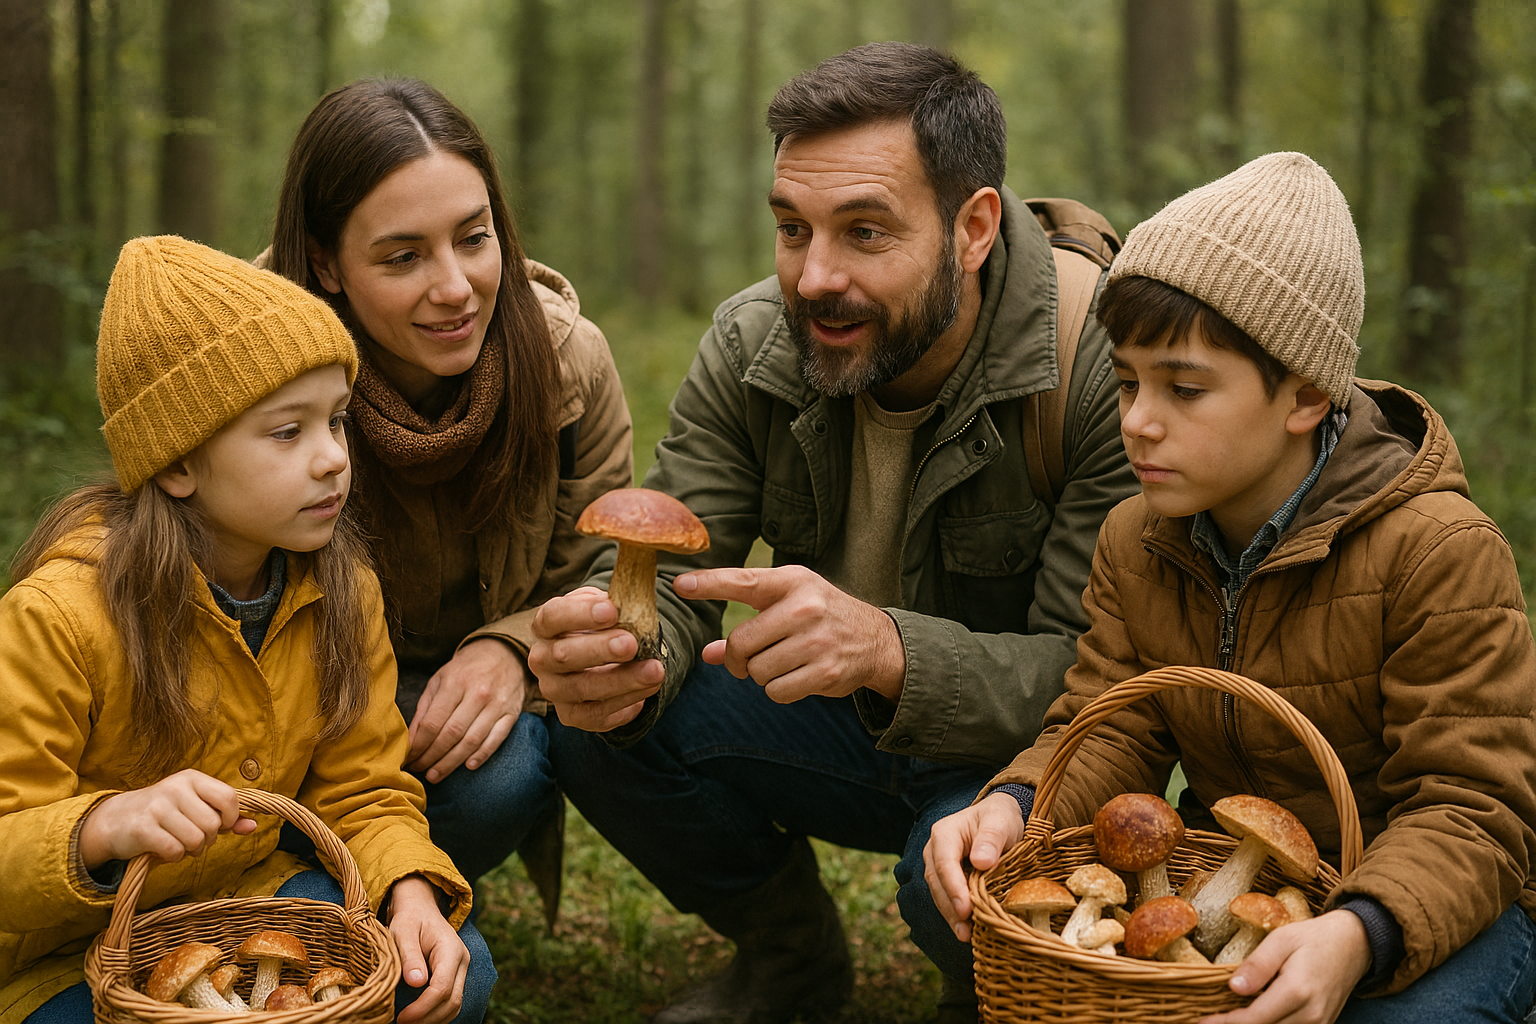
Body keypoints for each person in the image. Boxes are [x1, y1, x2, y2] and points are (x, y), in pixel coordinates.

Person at [529, 42, 1138, 1023]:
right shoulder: (754, 340)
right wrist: (617, 651)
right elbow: (674, 566)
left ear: (973, 226)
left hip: (1010, 759)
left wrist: (890, 647)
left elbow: (1100, 677)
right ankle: (791, 959)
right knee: (595, 727)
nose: (812, 277)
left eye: (863, 232)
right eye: (790, 228)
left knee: (974, 897)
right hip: (825, 718)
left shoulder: (1098, 360)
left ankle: (985, 982)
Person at [924, 152, 1536, 1023]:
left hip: (1428, 910)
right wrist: (1021, 806)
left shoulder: (1438, 551)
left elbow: (1474, 809)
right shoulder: (1136, 538)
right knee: (966, 909)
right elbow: (1114, 724)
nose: (1138, 419)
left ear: (1306, 394)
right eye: (1129, 381)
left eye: (1185, 388)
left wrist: (1361, 930)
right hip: (1229, 884)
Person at [0, 236, 495, 1024]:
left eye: (336, 422)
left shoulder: (341, 588)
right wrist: (98, 826)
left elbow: (363, 787)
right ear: (177, 463)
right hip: (65, 952)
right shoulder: (59, 617)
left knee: (438, 982)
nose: (334, 458)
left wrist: (410, 889)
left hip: (248, 904)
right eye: (286, 432)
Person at [263, 78, 634, 898]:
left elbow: (604, 569)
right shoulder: (249, 368)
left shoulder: (568, 360)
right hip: (293, 712)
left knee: (507, 772)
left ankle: (369, 909)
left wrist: (512, 645)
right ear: (325, 261)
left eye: (473, 238)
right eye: (403, 257)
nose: (456, 288)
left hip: (455, 714)